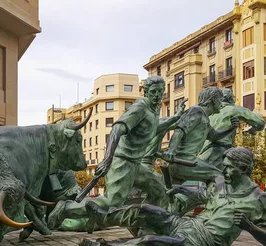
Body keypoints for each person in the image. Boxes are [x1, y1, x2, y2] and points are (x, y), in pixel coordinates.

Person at [79, 147, 266, 246]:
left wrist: (250, 227)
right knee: (145, 210)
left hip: (201, 243)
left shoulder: (257, 199)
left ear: (243, 169)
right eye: (224, 166)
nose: (223, 171)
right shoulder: (220, 183)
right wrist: (183, 188)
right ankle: (103, 216)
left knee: (151, 242)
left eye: (229, 167)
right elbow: (204, 197)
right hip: (186, 224)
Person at [49, 76, 183, 230]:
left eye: (160, 91)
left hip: (135, 164)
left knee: (159, 190)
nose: (157, 95)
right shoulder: (140, 108)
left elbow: (154, 129)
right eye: (153, 91)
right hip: (122, 162)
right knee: (112, 204)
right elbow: (117, 129)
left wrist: (176, 117)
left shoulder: (154, 111)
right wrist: (107, 159)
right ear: (146, 92)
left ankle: (148, 224)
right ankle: (65, 208)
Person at [163, 86, 240, 186]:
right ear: (213, 100)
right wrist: (171, 150)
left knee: (170, 196)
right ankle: (218, 201)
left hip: (182, 163)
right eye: (220, 100)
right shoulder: (196, 111)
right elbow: (179, 130)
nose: (221, 104)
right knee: (219, 176)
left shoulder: (205, 119)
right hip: (183, 162)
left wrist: (231, 128)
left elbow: (214, 136)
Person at [198, 88, 265, 170]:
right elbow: (260, 122)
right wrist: (253, 129)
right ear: (230, 98)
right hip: (220, 153)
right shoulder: (233, 109)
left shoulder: (209, 113)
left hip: (202, 154)